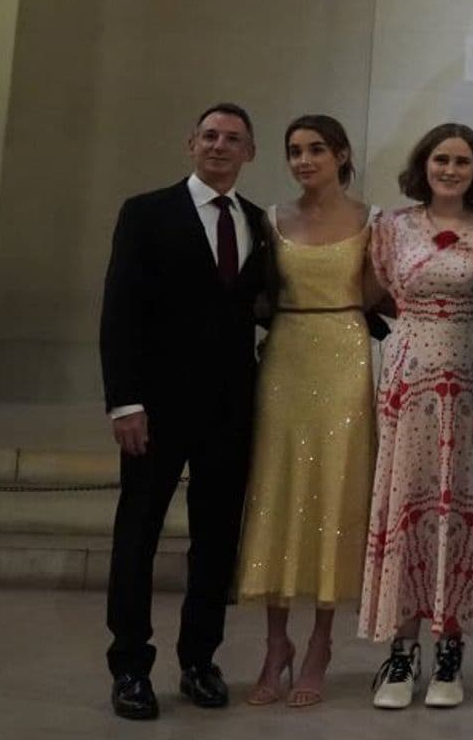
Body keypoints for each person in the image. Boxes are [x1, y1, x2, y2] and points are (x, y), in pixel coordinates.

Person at [100, 102, 270, 720]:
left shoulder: (256, 222)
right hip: (157, 408)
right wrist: (126, 401)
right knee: (138, 534)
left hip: (230, 409)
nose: (219, 146)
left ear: (249, 153)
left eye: (233, 139)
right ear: (190, 144)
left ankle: (200, 659)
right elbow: (119, 312)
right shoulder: (147, 213)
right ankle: (130, 666)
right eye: (209, 136)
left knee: (216, 540)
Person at [235, 115, 382, 708]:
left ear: (341, 153)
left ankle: (320, 642)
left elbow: (378, 291)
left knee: (334, 490)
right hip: (286, 357)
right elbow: (256, 295)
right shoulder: (268, 220)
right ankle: (276, 644)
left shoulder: (372, 220)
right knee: (277, 489)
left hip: (345, 354)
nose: (303, 160)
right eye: (294, 150)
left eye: (316, 149)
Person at [360, 124, 473, 710]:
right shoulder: (391, 228)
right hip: (408, 382)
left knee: (458, 510)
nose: (450, 169)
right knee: (407, 507)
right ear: (424, 164)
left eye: (462, 161)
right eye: (441, 159)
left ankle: (450, 648)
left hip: (470, 383)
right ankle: (401, 652)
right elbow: (373, 296)